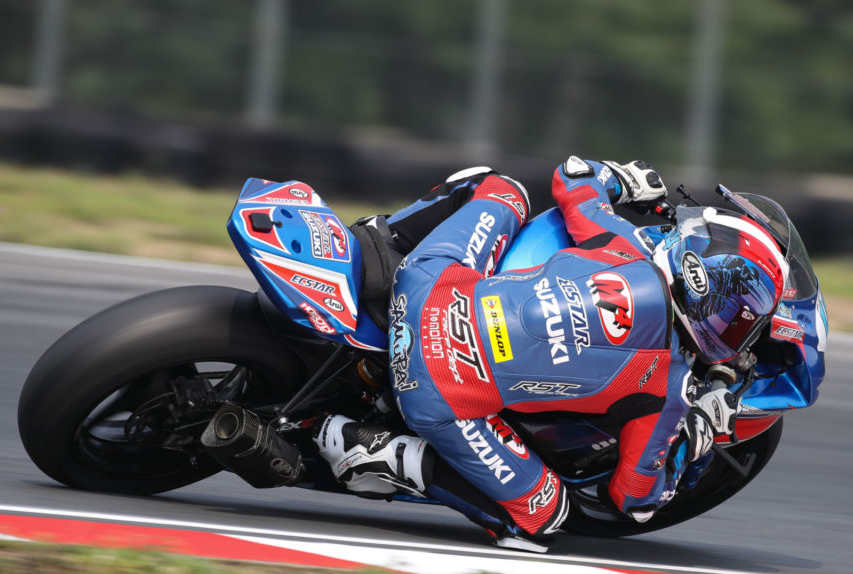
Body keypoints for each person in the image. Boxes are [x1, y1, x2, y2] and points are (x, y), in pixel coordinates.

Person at [313, 156, 789, 552]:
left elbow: (573, 177)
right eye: (746, 322)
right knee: (545, 515)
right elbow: (635, 501)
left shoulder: (624, 248)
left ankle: (373, 245)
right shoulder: (668, 392)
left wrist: (624, 180)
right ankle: (386, 456)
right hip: (438, 394)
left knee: (501, 188)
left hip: (427, 285)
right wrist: (699, 430)